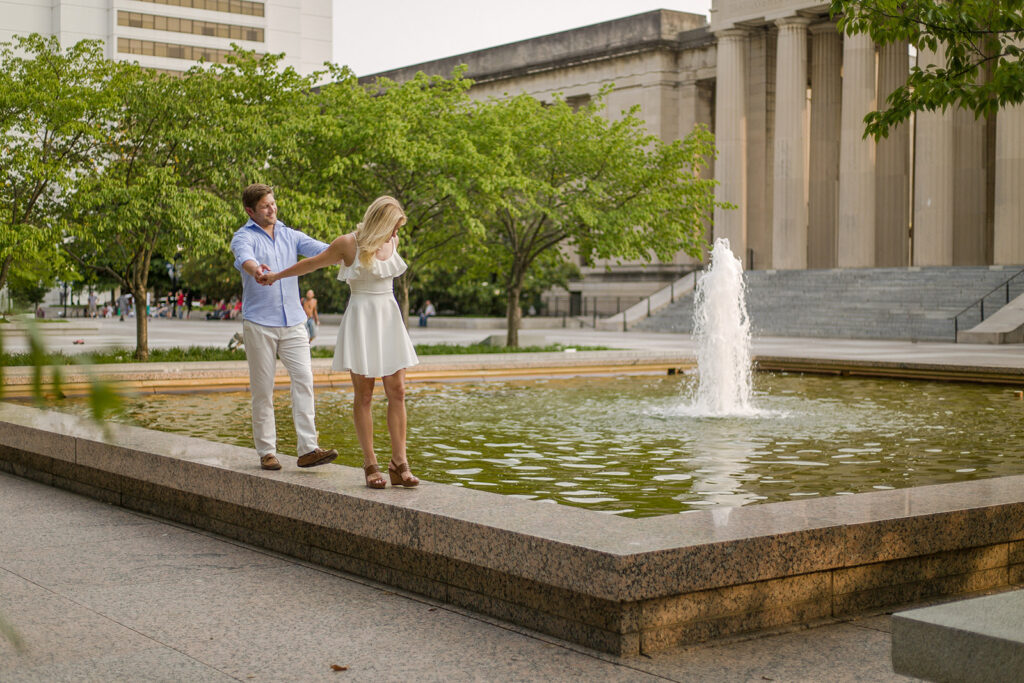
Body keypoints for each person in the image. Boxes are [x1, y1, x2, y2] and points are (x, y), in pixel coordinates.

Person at [259, 196, 420, 489]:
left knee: (397, 391)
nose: (396, 235)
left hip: (389, 319)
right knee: (365, 395)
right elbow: (311, 264)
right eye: (394, 228)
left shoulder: (392, 243)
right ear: (381, 222)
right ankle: (370, 464)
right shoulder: (348, 244)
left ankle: (399, 463)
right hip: (362, 319)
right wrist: (276, 276)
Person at [230, 183, 338, 472]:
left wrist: (348, 249)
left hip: (294, 322)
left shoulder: (290, 235)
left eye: (273, 203)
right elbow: (245, 259)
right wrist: (257, 271)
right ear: (250, 210)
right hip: (259, 323)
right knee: (263, 390)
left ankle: (308, 450)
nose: (272, 209)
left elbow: (324, 251)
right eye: (265, 206)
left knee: (304, 380)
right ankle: (267, 452)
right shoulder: (243, 236)